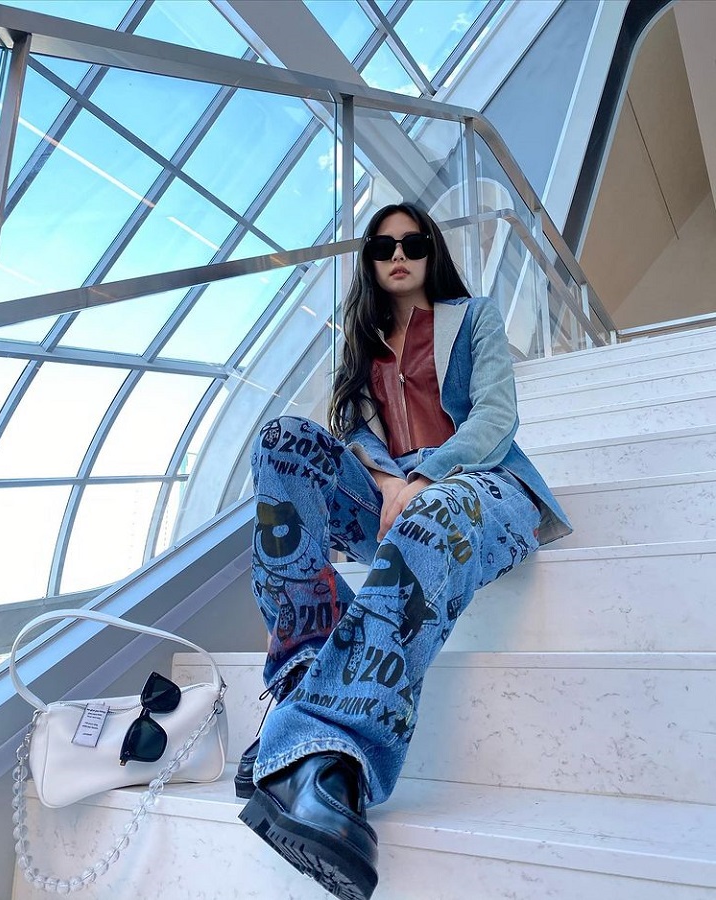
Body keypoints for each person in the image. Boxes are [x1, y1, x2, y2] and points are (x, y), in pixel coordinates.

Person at [238, 202, 572, 900]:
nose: (399, 255)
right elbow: (359, 435)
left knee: (429, 515)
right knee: (283, 443)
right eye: (383, 245)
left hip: (480, 484)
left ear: (431, 253)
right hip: (388, 495)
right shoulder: (363, 343)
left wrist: (426, 477)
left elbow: (496, 415)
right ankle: (303, 688)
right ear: (369, 259)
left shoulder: (473, 318)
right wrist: (390, 480)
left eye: (413, 243)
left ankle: (324, 756)